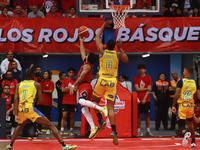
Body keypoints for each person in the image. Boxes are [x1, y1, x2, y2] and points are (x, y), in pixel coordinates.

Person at [5, 68, 77, 150]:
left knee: (20, 125)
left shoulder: (19, 85)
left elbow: (15, 99)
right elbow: (41, 100)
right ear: (32, 75)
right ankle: (64, 146)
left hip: (21, 108)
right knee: (51, 125)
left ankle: (10, 145)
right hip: (30, 107)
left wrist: (16, 113)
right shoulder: (36, 84)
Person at [92, 20, 129, 145]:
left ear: (106, 45)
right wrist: (121, 47)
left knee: (94, 102)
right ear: (115, 46)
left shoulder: (102, 52)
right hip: (112, 81)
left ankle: (100, 120)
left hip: (102, 80)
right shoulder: (117, 54)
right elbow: (127, 60)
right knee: (111, 108)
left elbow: (97, 37)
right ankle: (114, 131)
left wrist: (103, 25)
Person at [70, 36, 106, 139]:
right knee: (84, 110)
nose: (86, 54)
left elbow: (81, 77)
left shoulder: (87, 66)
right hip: (84, 86)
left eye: (87, 55)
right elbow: (82, 51)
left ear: (88, 58)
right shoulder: (86, 62)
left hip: (85, 85)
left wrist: (74, 85)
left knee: (81, 101)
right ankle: (93, 126)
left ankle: (101, 108)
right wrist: (81, 41)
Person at [172, 67, 197, 148]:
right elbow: (199, 96)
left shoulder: (181, 81)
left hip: (182, 105)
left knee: (180, 124)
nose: (182, 72)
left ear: (186, 71)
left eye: (183, 70)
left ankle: (185, 133)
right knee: (190, 125)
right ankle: (193, 143)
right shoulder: (195, 82)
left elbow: (176, 94)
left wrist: (173, 105)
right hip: (190, 105)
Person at [133, 64, 152, 136]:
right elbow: (137, 89)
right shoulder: (135, 78)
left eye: (143, 69)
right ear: (138, 70)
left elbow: (149, 90)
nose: (141, 70)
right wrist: (147, 88)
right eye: (140, 69)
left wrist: (144, 98)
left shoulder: (149, 78)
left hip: (146, 99)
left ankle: (148, 131)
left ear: (145, 70)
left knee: (147, 115)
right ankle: (138, 131)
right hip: (138, 100)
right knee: (139, 116)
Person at [36, 71, 54, 135]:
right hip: (39, 102)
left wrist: (42, 91)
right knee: (39, 116)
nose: (44, 75)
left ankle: (48, 129)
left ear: (49, 75)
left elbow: (50, 91)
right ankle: (39, 129)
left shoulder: (51, 82)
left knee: (47, 116)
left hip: (47, 102)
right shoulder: (40, 82)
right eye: (44, 74)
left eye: (46, 74)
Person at [61, 67, 77, 136]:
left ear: (74, 73)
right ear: (68, 73)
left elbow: (75, 89)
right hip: (65, 101)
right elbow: (63, 90)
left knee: (72, 117)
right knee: (64, 116)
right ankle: (62, 130)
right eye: (70, 72)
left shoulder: (76, 81)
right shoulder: (64, 81)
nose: (71, 74)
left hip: (73, 102)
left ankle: (71, 131)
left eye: (72, 72)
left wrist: (67, 88)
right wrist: (71, 88)